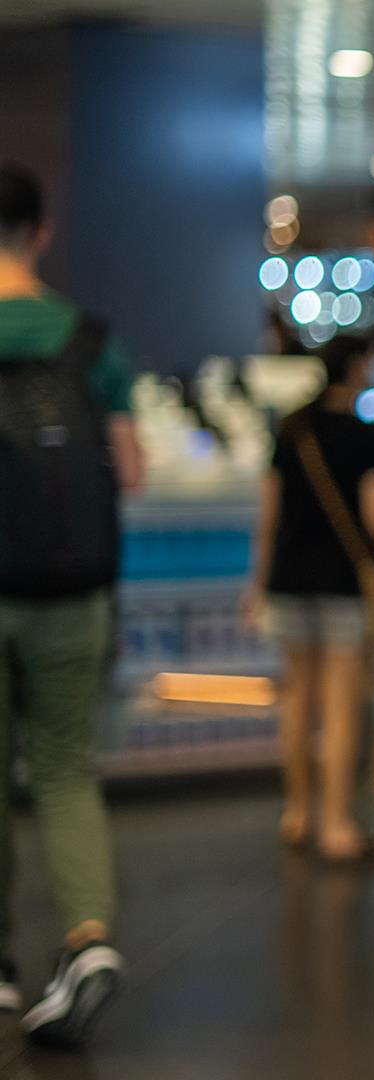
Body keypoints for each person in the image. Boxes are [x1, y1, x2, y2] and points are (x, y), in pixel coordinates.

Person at [0, 162, 140, 1044]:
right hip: (71, 589)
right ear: (42, 231)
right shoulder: (90, 338)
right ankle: (87, 939)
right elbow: (130, 468)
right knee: (64, 766)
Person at [242, 334, 374, 863]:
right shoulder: (369, 436)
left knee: (297, 699)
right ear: (356, 369)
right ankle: (336, 825)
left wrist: (257, 582)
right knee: (340, 705)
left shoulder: (292, 429)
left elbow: (268, 515)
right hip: (340, 586)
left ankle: (298, 812)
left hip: (288, 581)